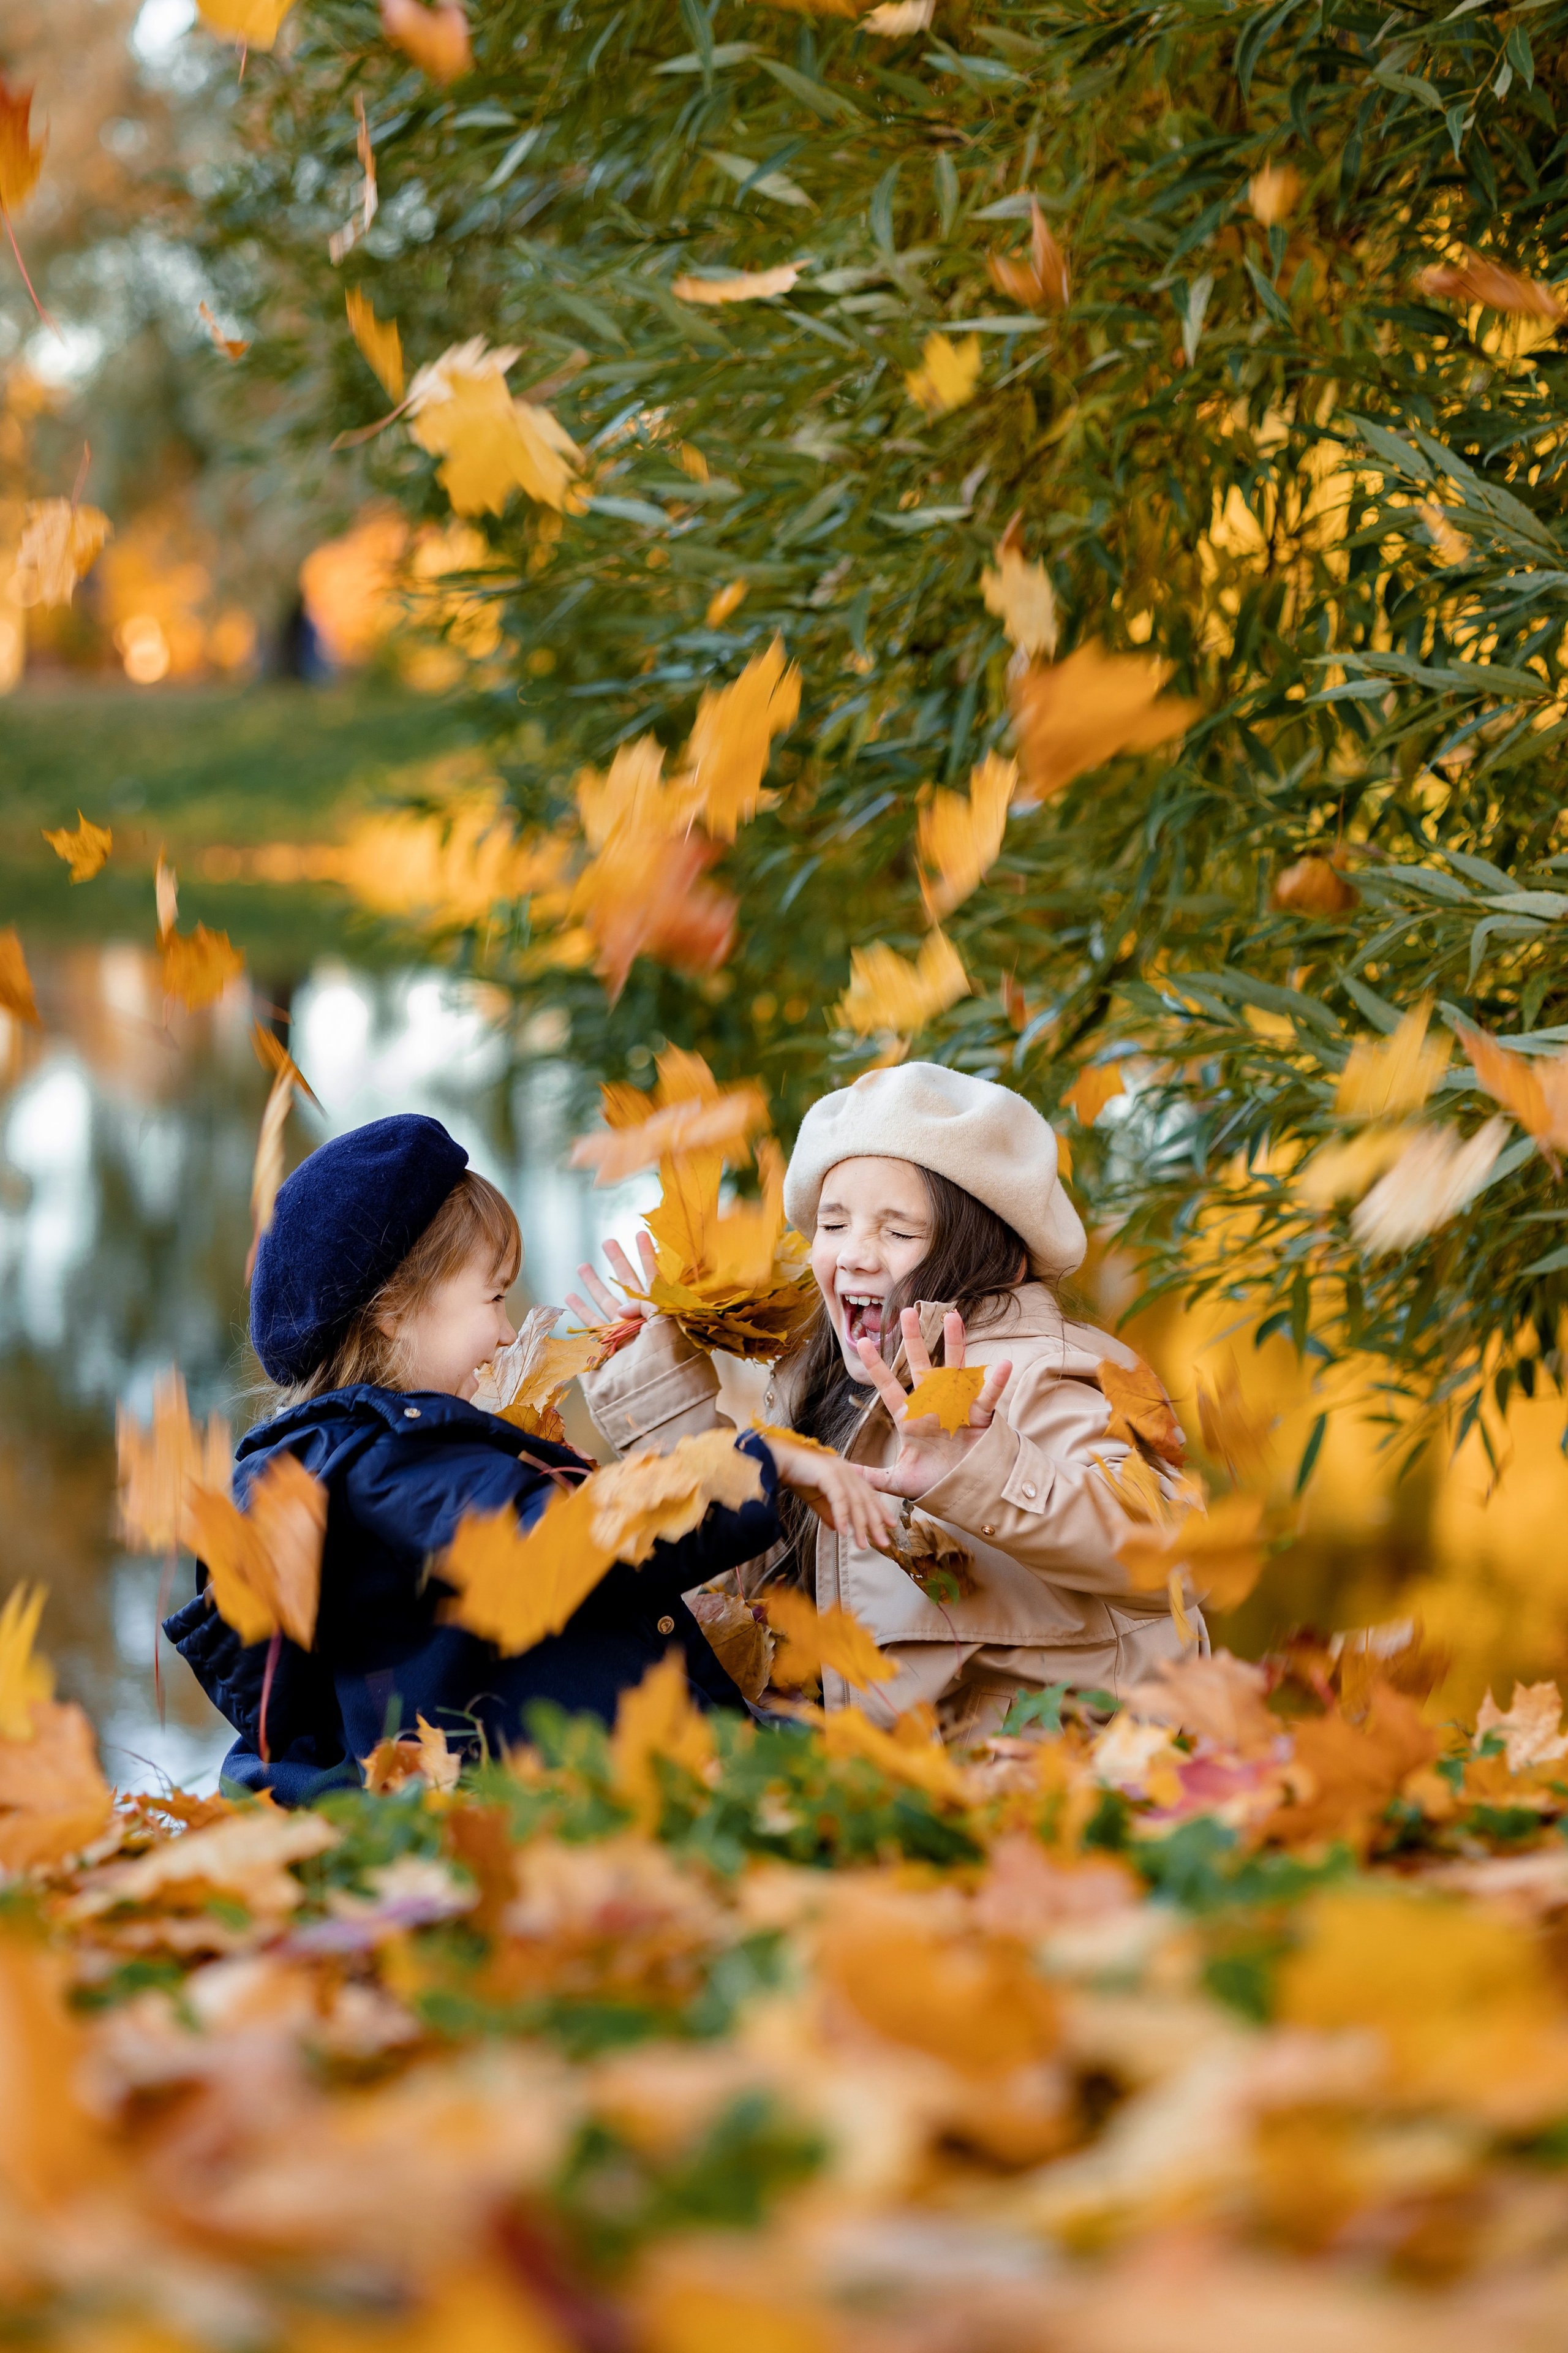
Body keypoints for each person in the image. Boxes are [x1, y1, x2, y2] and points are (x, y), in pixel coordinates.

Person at [164, 1114, 892, 1804]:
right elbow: (579, 1546)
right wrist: (757, 1466)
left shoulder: (354, 1463)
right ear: (392, 1308)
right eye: (495, 1297)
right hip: (554, 1803)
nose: (508, 1333)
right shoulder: (400, 1463)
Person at [571, 1063, 1202, 1742]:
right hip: (867, 1786)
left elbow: (1173, 1556)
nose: (854, 1255)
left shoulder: (1036, 1371)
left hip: (1043, 1788)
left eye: (898, 1233)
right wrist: (665, 1408)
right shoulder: (817, 1387)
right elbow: (736, 1603)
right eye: (834, 1224)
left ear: (997, 1259)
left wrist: (984, 1470)